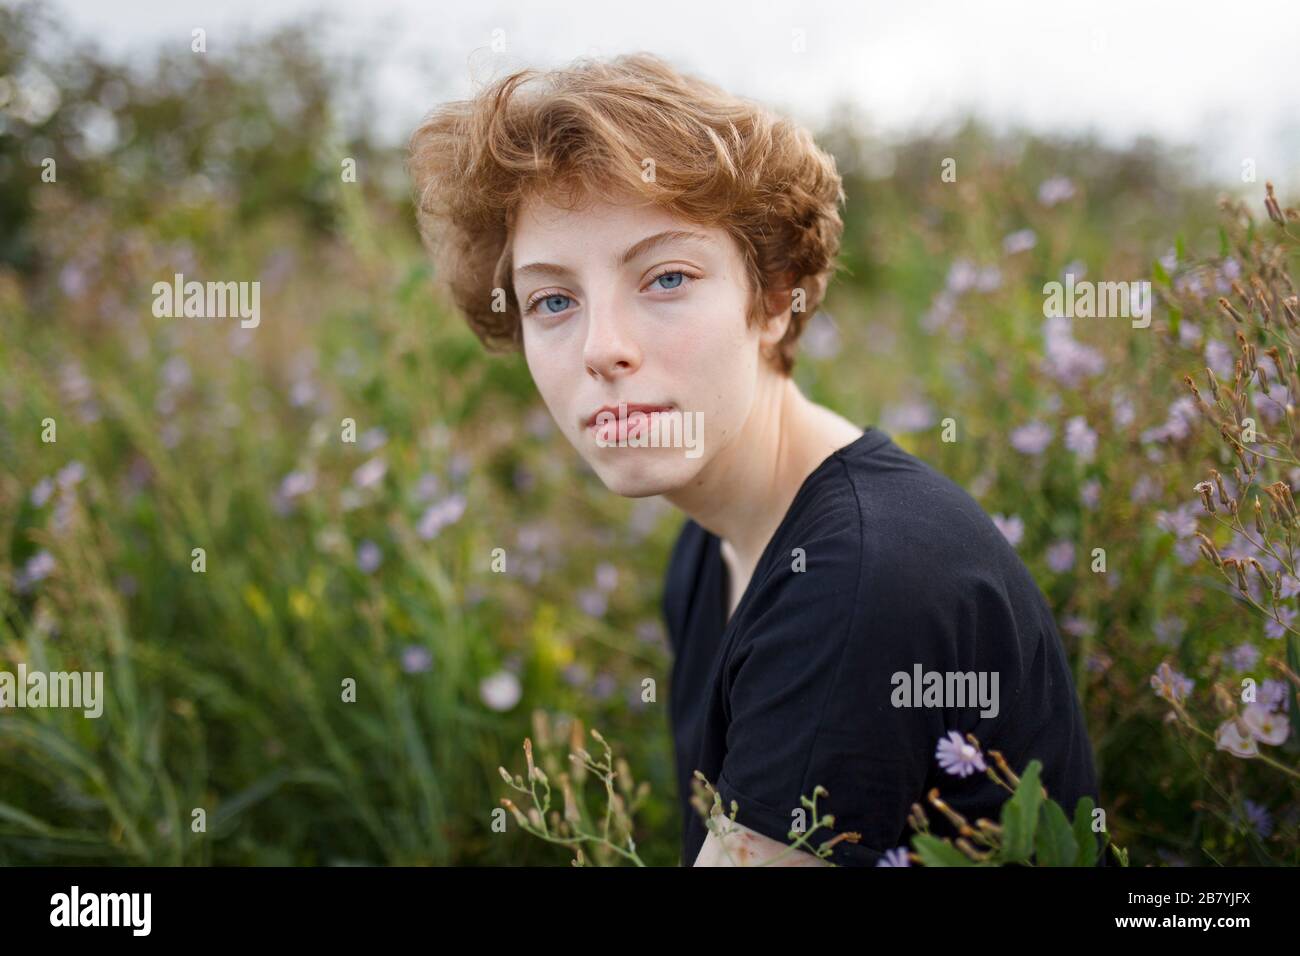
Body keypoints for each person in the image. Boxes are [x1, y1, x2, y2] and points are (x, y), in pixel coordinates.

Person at [408, 52, 1101, 867]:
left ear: (774, 297)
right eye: (553, 300)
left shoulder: (861, 582)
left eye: (665, 278)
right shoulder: (712, 545)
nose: (602, 349)